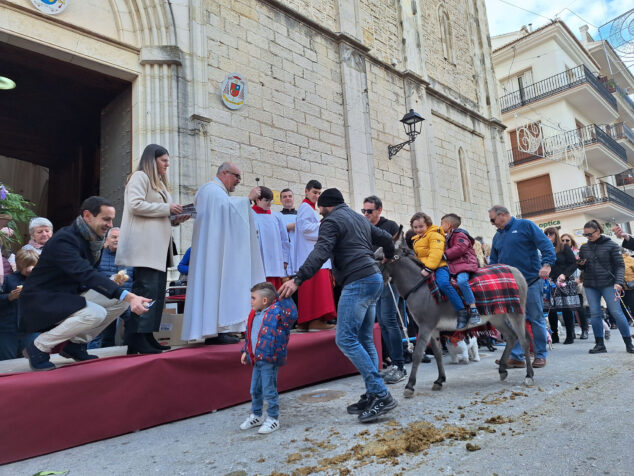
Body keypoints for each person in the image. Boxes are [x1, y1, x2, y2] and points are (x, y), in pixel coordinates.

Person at [279, 188, 398, 423]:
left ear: (325, 206)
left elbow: (321, 251)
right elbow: (385, 238)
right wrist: (388, 256)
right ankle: (374, 392)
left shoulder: (331, 221)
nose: (319, 212)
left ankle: (382, 395)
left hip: (358, 282)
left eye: (320, 208)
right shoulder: (357, 217)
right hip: (374, 278)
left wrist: (298, 279)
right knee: (364, 339)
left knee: (345, 339)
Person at [19, 196, 152, 371]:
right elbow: (84, 273)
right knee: (96, 312)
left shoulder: (91, 241)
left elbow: (88, 275)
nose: (110, 224)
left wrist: (118, 290)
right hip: (42, 301)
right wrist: (129, 296)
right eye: (106, 219)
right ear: (88, 216)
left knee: (119, 301)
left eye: (112, 219)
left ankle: (75, 345)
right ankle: (38, 347)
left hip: (68, 297)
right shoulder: (64, 239)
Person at [117, 144, 190, 355]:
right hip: (145, 246)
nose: (167, 164)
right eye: (164, 160)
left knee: (156, 292)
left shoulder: (160, 184)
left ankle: (146, 335)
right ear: (152, 159)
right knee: (146, 291)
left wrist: (177, 218)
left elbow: (160, 215)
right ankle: (138, 337)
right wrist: (168, 208)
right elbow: (135, 205)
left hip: (158, 248)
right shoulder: (139, 177)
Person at [181, 162, 265, 345]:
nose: (238, 182)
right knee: (213, 286)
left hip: (216, 250)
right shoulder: (211, 190)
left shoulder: (216, 193)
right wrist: (247, 200)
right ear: (225, 173)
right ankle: (214, 331)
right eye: (237, 177)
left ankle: (219, 329)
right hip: (213, 254)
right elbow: (227, 209)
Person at [488, 205, 555, 369]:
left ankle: (540, 355)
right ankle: (517, 356)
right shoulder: (497, 236)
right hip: (509, 285)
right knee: (513, 321)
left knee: (535, 318)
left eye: (492, 219)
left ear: (503, 215)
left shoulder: (526, 225)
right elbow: (494, 262)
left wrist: (547, 265)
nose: (492, 223)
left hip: (530, 281)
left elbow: (546, 245)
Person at [239, 282, 298, 434]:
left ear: (264, 301)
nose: (250, 301)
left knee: (269, 389)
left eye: (253, 298)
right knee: (255, 389)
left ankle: (273, 418)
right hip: (256, 359)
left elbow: (291, 315)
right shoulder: (253, 315)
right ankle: (256, 415)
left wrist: (284, 297)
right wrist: (246, 350)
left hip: (269, 359)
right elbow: (250, 336)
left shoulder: (277, 313)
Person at [361, 195, 405, 384]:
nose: (365, 214)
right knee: (382, 321)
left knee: (389, 320)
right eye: (363, 211)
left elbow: (399, 253)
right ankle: (393, 364)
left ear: (379, 210)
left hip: (389, 278)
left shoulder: (390, 226)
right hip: (372, 279)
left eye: (369, 211)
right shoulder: (363, 226)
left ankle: (399, 365)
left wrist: (387, 257)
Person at [578, 220, 633, 354]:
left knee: (616, 313)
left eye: (589, 234)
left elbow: (620, 266)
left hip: (609, 284)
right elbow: (582, 266)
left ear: (598, 231)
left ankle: (628, 344)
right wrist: (581, 264)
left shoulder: (611, 245)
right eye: (585, 235)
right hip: (590, 284)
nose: (587, 237)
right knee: (595, 314)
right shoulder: (584, 247)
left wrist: (618, 282)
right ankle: (600, 344)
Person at [411, 212, 471, 327]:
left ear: (428, 225)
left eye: (421, 226)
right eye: (415, 227)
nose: (418, 229)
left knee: (443, 283)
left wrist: (428, 268)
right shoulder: (417, 239)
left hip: (439, 266)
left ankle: (461, 311)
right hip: (425, 266)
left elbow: (436, 253)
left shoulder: (434, 234)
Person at [293, 180, 336, 331]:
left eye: (319, 193)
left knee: (310, 291)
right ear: (306, 191)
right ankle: (316, 321)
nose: (317, 196)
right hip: (313, 256)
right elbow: (306, 229)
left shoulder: (308, 208)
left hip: (311, 254)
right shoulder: (305, 207)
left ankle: (306, 322)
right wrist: (325, 225)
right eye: (314, 192)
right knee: (318, 290)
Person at [91, 227, 134, 348]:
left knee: (131, 326)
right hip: (104, 298)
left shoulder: (131, 257)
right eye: (114, 237)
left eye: (120, 238)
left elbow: (136, 278)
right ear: (107, 239)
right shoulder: (98, 255)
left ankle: (129, 350)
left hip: (126, 298)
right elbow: (90, 276)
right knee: (105, 333)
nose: (117, 240)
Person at [440, 213, 481, 328]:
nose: (440, 226)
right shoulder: (448, 236)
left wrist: (445, 255)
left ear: (448, 225)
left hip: (465, 264)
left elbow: (460, 248)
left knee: (462, 281)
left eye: (442, 223)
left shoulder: (460, 234)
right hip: (455, 265)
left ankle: (473, 310)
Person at [0, 249, 39, 360]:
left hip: (32, 329)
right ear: (19, 265)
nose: (29, 269)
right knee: (7, 363)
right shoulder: (7, 280)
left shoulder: (40, 281)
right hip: (7, 330)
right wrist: (9, 297)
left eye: (32, 265)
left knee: (33, 360)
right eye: (26, 265)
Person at [543, 227, 578, 345]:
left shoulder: (564, 247)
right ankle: (555, 335)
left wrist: (565, 274)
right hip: (550, 281)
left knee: (566, 308)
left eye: (551, 233)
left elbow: (573, 263)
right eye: (546, 234)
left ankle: (570, 335)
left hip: (564, 280)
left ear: (556, 235)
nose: (548, 235)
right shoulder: (545, 249)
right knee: (551, 309)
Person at [252, 186, 289, 289]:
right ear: (257, 200)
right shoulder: (249, 214)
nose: (269, 204)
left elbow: (284, 239)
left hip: (275, 262)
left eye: (271, 201)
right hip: (258, 262)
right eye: (266, 200)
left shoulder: (277, 217)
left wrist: (285, 259)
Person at [561, 233, 589, 339]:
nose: (564, 242)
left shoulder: (577, 252)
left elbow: (584, 266)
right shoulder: (560, 253)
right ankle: (570, 331)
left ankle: (584, 330)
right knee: (566, 308)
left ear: (571, 241)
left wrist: (580, 279)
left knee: (579, 308)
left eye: (567, 240)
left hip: (577, 283)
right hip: (565, 283)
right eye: (562, 240)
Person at [276, 188, 297, 277]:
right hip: (284, 255)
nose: (287, 198)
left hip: (298, 252)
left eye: (290, 196)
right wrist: (287, 227)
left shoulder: (301, 215)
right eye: (284, 197)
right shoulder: (276, 216)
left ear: (293, 198)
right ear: (281, 200)